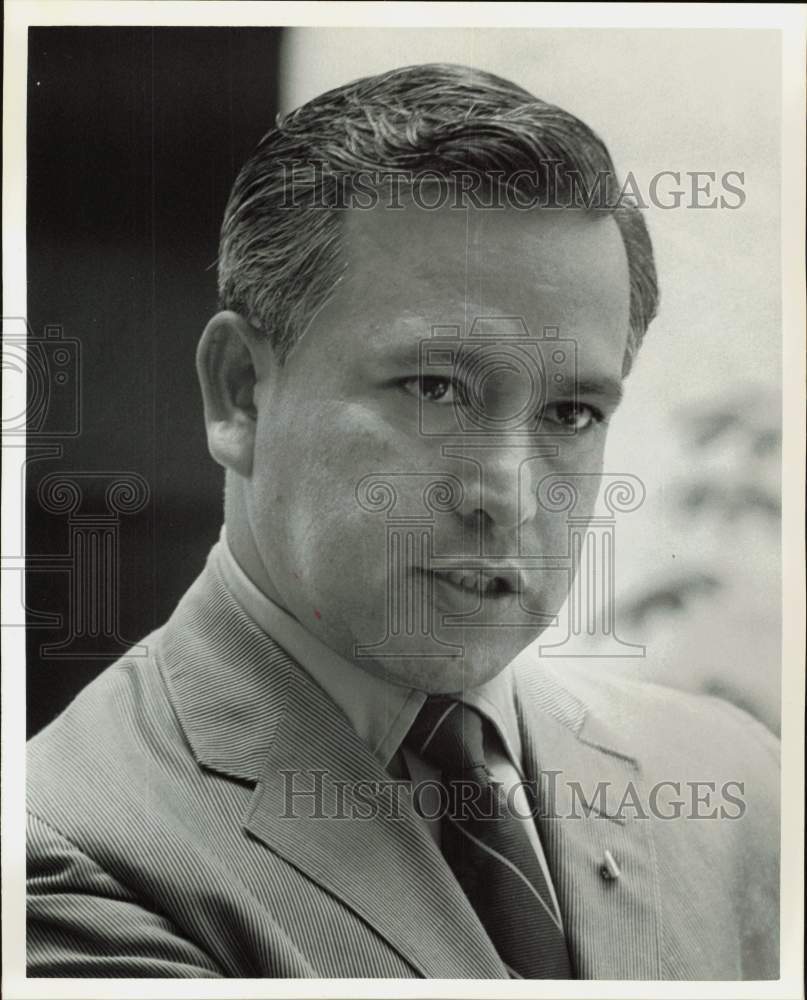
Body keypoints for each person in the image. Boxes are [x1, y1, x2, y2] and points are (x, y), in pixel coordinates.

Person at [27, 63, 779, 980]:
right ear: (239, 395)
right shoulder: (68, 850)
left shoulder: (739, 787)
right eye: (434, 389)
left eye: (571, 414)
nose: (504, 494)